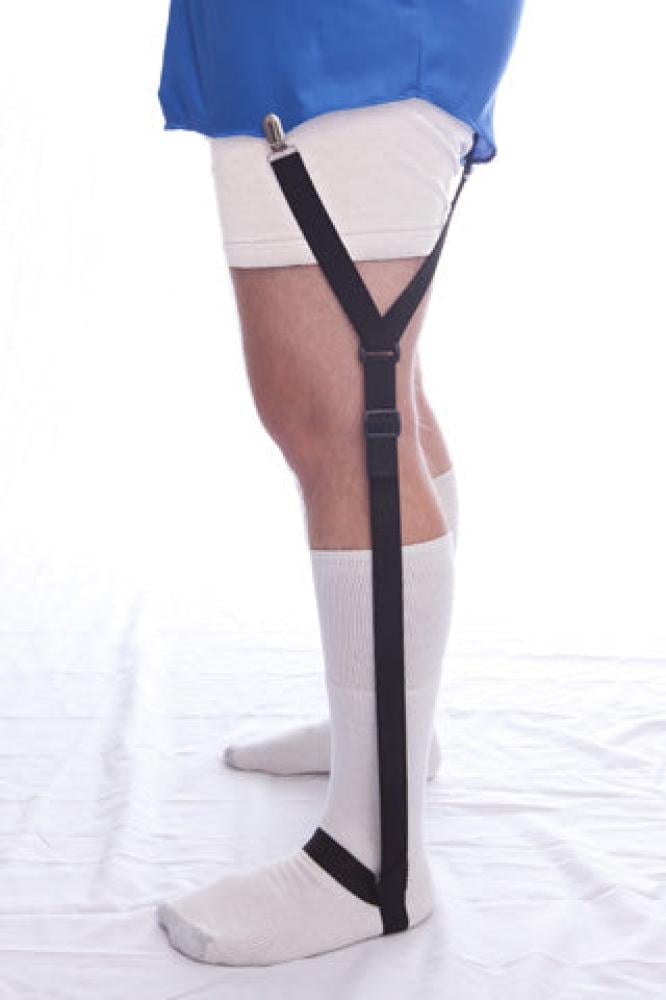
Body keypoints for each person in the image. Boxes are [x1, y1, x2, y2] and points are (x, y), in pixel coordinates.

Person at [155, 0, 525, 966]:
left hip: (345, 36)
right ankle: (391, 737)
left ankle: (375, 861)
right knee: (379, 389)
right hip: (323, 37)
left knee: (341, 405)